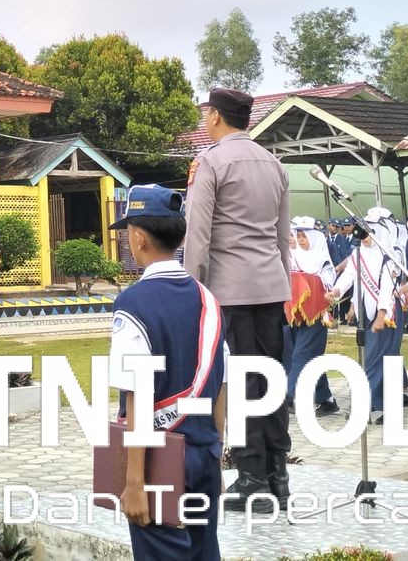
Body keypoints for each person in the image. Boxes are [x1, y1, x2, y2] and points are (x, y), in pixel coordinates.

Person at [182, 86, 291, 508]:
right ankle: (278, 475)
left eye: (206, 114)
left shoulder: (210, 162)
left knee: (242, 381)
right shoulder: (273, 163)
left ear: (215, 116)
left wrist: (192, 291)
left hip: (230, 290)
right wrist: (282, 283)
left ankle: (251, 480)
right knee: (271, 379)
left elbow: (198, 235)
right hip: (271, 288)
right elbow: (281, 236)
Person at [107, 184, 227, 561]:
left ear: (139, 238)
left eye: (129, 232)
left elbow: (138, 393)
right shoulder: (209, 300)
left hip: (159, 459)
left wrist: (134, 481)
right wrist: (216, 458)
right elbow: (221, 383)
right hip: (204, 453)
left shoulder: (132, 304)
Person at [328, 208, 400, 425]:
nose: (364, 237)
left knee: (374, 360)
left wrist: (381, 314)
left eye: (369, 232)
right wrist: (336, 291)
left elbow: (387, 287)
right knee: (378, 360)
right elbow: (349, 276)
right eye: (362, 232)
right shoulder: (358, 254)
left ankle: (364, 407)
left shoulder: (390, 255)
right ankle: (383, 406)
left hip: (386, 315)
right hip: (367, 314)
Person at [284, 216, 336, 417]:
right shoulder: (293, 256)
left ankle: (289, 395)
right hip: (296, 315)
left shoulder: (322, 260)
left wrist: (304, 280)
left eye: (304, 236)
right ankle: (326, 399)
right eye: (298, 236)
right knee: (310, 357)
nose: (300, 240)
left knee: (302, 354)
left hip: (316, 315)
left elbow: (328, 283)